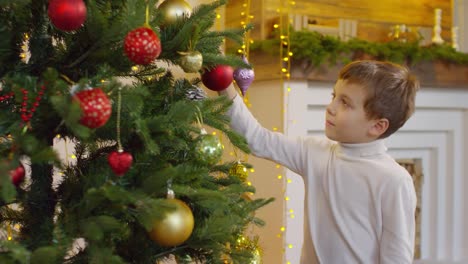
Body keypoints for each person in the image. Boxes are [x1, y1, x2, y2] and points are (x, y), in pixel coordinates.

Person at [218, 60, 419, 263]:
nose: (331, 107)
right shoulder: (314, 152)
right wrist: (224, 85)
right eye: (334, 96)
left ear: (377, 126)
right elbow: (256, 139)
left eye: (345, 103)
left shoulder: (394, 180)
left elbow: (396, 256)